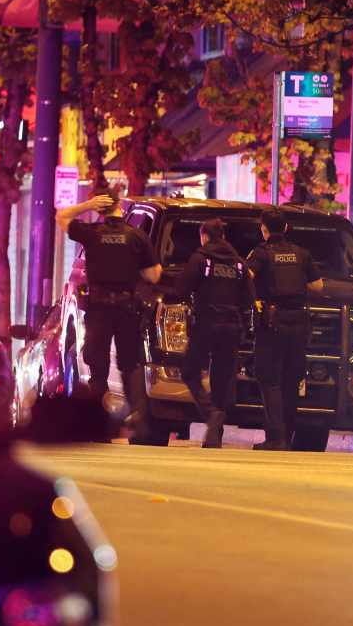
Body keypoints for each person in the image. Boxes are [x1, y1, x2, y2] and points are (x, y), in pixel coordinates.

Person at [56, 192, 162, 440]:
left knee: (98, 367)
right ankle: (139, 424)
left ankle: (99, 427)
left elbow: (61, 216)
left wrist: (86, 205)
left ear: (101, 209)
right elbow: (154, 275)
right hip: (127, 308)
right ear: (119, 208)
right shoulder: (137, 237)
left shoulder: (92, 233)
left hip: (99, 308)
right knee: (130, 365)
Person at [246, 209, 324, 451]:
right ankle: (287, 437)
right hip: (299, 322)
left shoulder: (261, 253)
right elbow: (318, 286)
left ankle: (275, 438)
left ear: (264, 229)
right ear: (287, 228)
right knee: (292, 380)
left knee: (270, 380)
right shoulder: (302, 254)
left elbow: (246, 276)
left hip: (272, 321)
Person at [176, 218, 253, 449]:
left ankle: (211, 413)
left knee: (190, 371)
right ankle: (214, 436)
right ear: (224, 237)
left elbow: (182, 288)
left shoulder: (201, 259)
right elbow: (249, 298)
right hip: (232, 327)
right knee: (222, 379)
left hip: (206, 324)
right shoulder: (239, 264)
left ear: (205, 236)